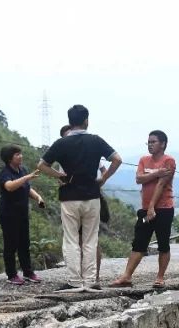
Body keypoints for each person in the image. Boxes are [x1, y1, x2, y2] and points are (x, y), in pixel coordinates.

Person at [38, 105, 121, 292]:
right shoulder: (95, 140)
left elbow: (42, 165)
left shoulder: (62, 143)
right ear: (86, 120)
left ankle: (74, 281)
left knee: (71, 239)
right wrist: (103, 179)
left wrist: (60, 176)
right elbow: (117, 159)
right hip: (92, 195)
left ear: (70, 121)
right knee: (90, 240)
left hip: (69, 196)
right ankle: (91, 281)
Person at [111, 130, 175, 289]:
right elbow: (139, 179)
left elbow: (162, 184)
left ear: (163, 144)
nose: (150, 145)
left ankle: (160, 277)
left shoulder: (169, 161)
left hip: (164, 209)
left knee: (163, 243)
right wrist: (157, 173)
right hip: (145, 210)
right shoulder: (143, 160)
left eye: (153, 142)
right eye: (149, 142)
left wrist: (152, 207)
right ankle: (126, 276)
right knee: (139, 242)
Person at [0, 144, 44, 285]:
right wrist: (27, 177)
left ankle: (28, 272)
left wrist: (38, 197)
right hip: (8, 214)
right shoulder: (5, 172)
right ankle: (11, 274)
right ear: (9, 158)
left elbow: (27, 188)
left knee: (24, 243)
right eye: (17, 154)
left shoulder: (22, 170)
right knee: (11, 244)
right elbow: (10, 186)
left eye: (20, 153)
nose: (20, 156)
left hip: (22, 213)